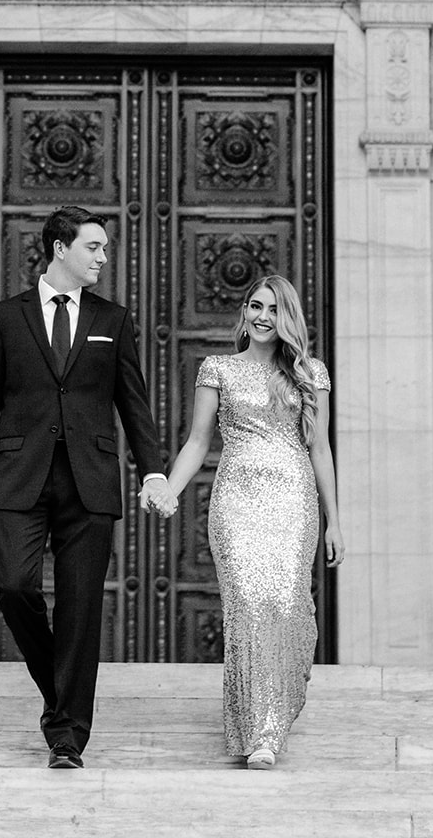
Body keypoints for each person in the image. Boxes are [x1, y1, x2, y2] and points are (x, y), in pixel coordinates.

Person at [0, 205, 175, 769]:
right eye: (94, 247)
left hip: (90, 479)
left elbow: (134, 403)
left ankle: (67, 737)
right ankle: (62, 690)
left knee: (80, 609)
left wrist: (153, 469)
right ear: (60, 248)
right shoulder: (6, 317)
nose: (103, 257)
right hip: (18, 475)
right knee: (12, 584)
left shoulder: (114, 319)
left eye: (103, 248)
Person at [164, 274, 344, 769]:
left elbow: (321, 447)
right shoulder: (217, 369)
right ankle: (259, 734)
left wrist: (334, 520)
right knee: (246, 606)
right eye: (255, 306)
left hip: (293, 502)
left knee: (286, 603)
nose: (263, 316)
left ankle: (275, 714)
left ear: (288, 318)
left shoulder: (312, 374)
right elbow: (198, 442)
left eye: (273, 309)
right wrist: (170, 490)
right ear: (243, 312)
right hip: (236, 504)